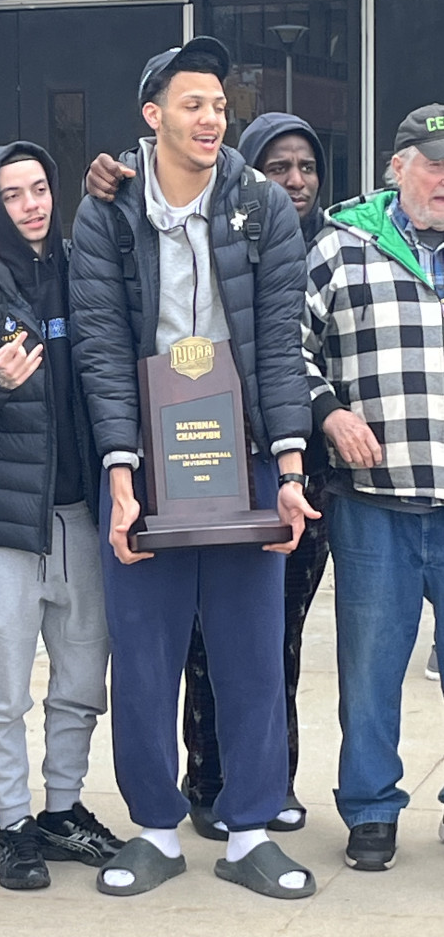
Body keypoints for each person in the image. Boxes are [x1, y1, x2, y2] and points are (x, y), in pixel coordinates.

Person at [69, 37, 317, 899]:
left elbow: (280, 344)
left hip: (242, 453)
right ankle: (152, 831)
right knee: (144, 655)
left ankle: (249, 829)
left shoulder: (261, 204)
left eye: (219, 104)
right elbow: (100, 348)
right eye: (192, 104)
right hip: (145, 457)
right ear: (153, 116)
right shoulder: (107, 209)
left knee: (250, 653)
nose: (211, 118)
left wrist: (288, 466)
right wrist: (122, 477)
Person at [0, 141, 122, 890]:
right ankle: (13, 825)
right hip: (1, 530)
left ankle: (63, 809)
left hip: (85, 518)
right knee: (2, 690)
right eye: (14, 195)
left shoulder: (87, 276)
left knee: (78, 683)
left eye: (40, 189)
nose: (32, 205)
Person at [302, 103, 444, 872]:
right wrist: (328, 414)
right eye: (434, 162)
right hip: (374, 503)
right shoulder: (341, 247)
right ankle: (371, 811)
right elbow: (288, 350)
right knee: (369, 669)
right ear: (398, 167)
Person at [180, 113, 331, 837]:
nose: (294, 181)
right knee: (211, 637)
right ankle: (207, 778)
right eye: (279, 167)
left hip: (309, 477)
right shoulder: (220, 241)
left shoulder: (338, 247)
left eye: (305, 167)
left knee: (280, 639)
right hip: (221, 458)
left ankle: (274, 778)